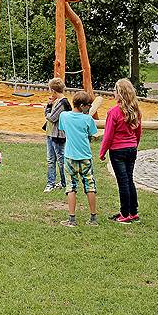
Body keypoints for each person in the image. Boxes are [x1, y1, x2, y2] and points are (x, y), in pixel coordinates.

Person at [100, 78, 143, 224]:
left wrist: (102, 152)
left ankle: (125, 214)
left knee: (123, 182)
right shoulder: (136, 110)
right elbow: (138, 132)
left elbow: (108, 135)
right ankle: (133, 211)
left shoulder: (113, 112)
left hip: (118, 151)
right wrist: (134, 145)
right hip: (131, 149)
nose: (113, 92)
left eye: (114, 90)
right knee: (129, 179)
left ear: (119, 93)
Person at [57, 91, 99, 227]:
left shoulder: (64, 116)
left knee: (71, 187)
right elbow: (92, 133)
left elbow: (62, 128)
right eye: (88, 105)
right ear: (82, 105)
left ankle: (72, 219)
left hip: (70, 157)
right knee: (90, 186)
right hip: (86, 156)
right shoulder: (88, 119)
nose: (89, 107)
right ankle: (93, 218)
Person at [43, 77, 71, 193]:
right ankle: (51, 182)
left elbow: (51, 117)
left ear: (54, 90)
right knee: (51, 160)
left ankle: (64, 182)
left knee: (60, 160)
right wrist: (50, 105)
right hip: (50, 134)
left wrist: (48, 108)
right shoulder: (57, 102)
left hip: (58, 136)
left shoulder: (63, 103)